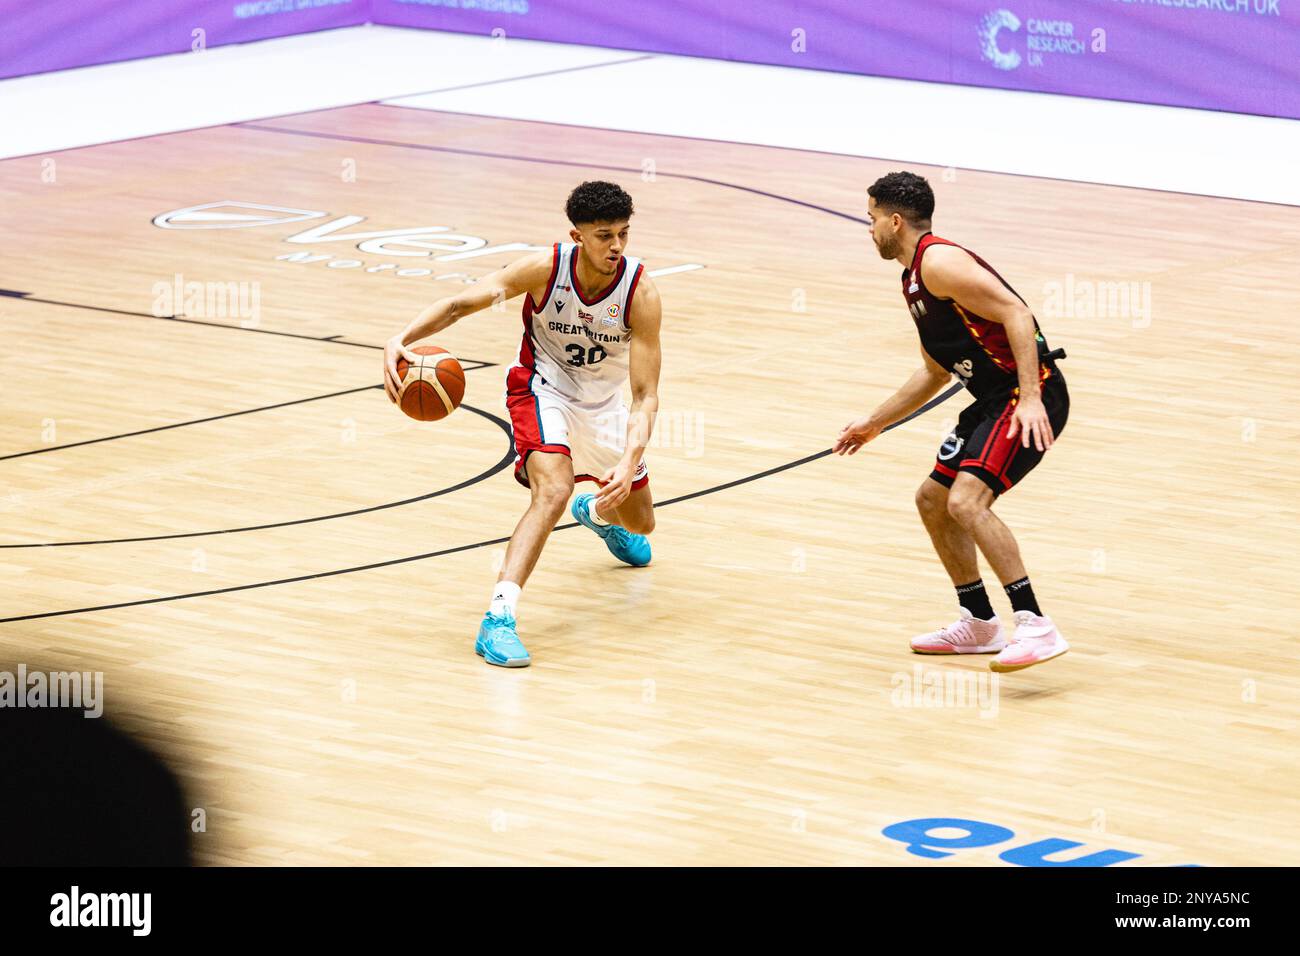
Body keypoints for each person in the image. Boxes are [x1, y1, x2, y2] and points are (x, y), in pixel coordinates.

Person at [384, 181, 662, 668]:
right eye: (603, 236)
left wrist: (631, 458)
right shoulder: (544, 269)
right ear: (577, 236)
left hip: (605, 408)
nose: (616, 246)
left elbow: (645, 396)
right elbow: (460, 305)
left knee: (642, 524)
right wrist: (400, 337)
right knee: (550, 491)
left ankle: (595, 512)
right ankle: (498, 619)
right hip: (542, 390)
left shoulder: (641, 293)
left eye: (623, 234)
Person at [835, 171, 1070, 672]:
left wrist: (1030, 397)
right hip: (992, 399)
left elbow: (1018, 313)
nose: (869, 228)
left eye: (872, 217)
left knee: (967, 500)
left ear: (895, 221)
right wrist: (872, 423)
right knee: (932, 500)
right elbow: (933, 372)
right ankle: (980, 624)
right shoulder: (913, 279)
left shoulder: (940, 262)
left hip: (1028, 394)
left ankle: (1035, 625)